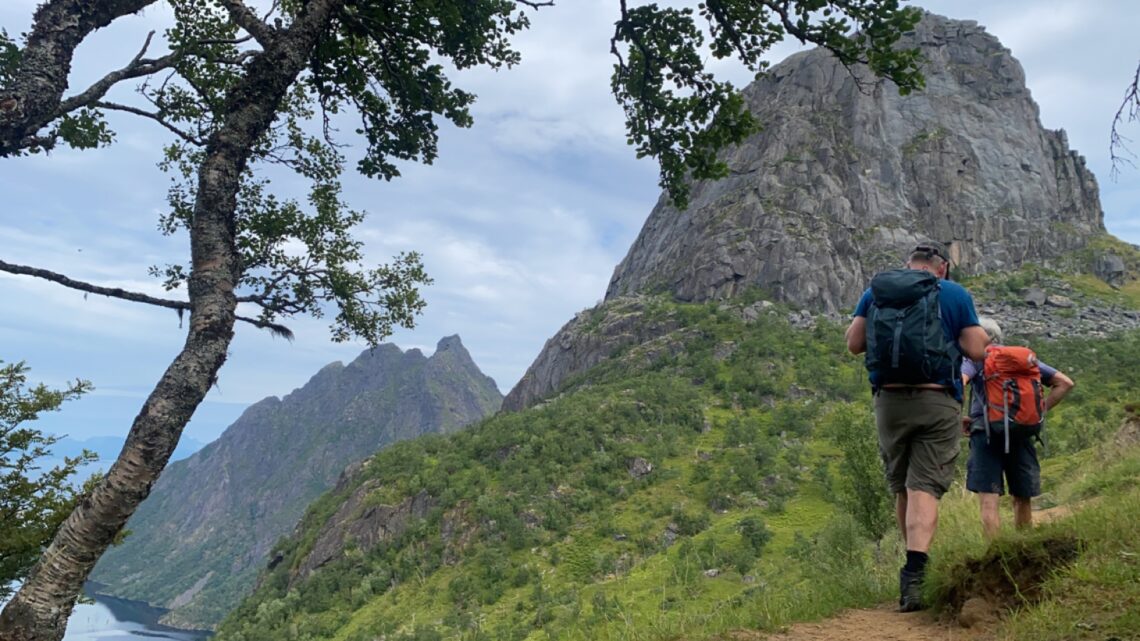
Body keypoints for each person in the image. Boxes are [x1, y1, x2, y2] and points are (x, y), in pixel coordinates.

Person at [845, 242, 989, 612]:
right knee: (924, 486)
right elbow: (976, 351)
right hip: (936, 399)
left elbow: (854, 344)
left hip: (889, 402)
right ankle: (916, 575)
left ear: (910, 265)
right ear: (941, 268)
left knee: (903, 486)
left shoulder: (875, 293)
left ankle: (909, 560)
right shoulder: (953, 293)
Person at [962, 317, 1075, 538]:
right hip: (1022, 430)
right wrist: (1038, 412)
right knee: (1022, 495)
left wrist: (958, 417)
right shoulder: (1024, 359)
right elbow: (1065, 383)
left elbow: (960, 380)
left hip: (985, 433)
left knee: (989, 497)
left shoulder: (975, 358)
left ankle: (995, 554)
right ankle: (1024, 546)